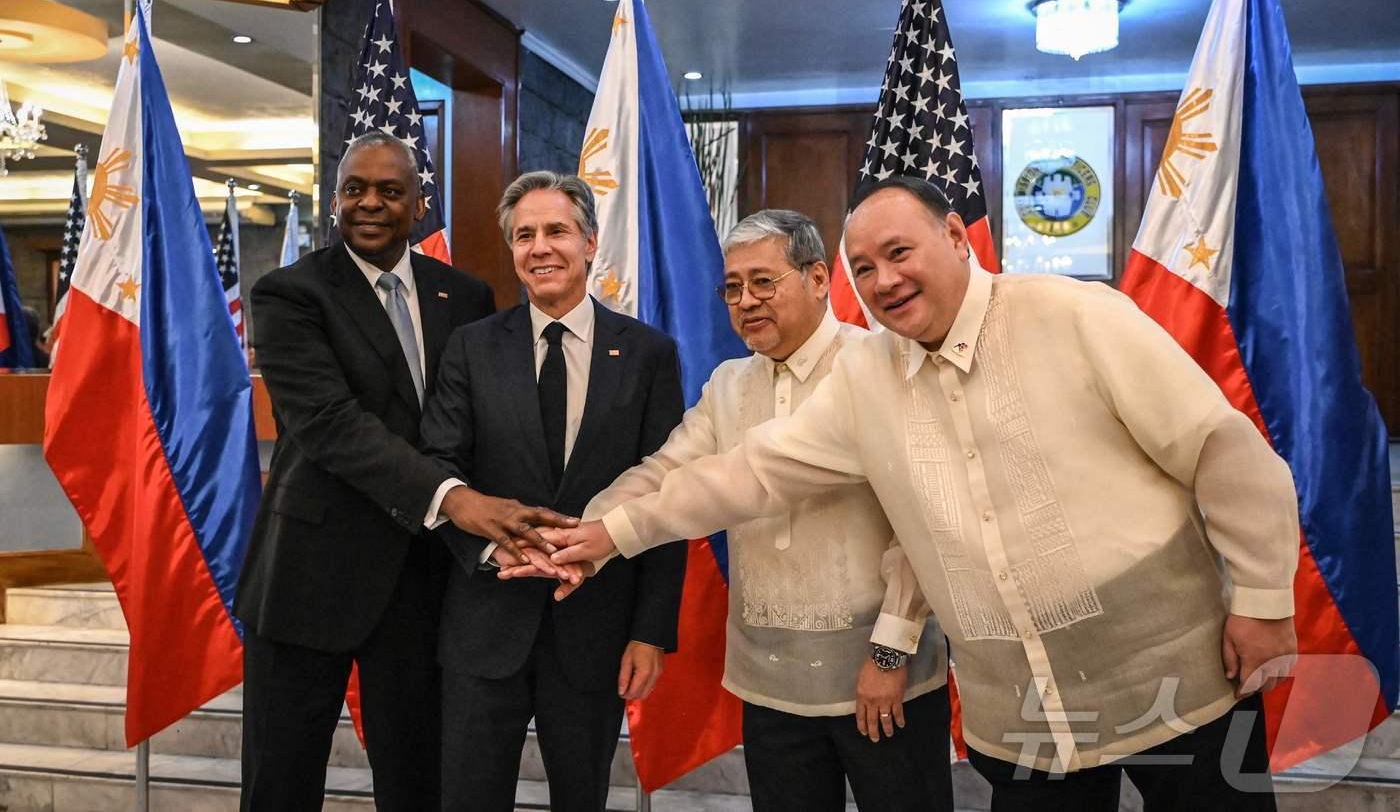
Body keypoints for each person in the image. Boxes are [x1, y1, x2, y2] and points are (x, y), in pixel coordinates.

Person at [540, 175, 1301, 810]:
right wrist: (615, 531)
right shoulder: (867, 378)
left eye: (899, 252)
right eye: (864, 269)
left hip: (1173, 671)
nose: (883, 280)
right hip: (1023, 709)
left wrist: (1264, 597)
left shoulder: (1073, 313)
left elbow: (1223, 451)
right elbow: (753, 470)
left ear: (957, 238)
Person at [506, 208, 953, 811]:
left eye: (764, 282)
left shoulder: (880, 367)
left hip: (879, 678)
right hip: (768, 683)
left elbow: (919, 524)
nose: (745, 301)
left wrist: (890, 652)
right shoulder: (729, 384)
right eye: (733, 288)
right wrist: (580, 535)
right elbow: (666, 471)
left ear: (819, 278)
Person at [236, 133, 573, 811]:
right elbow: (331, 423)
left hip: (421, 585)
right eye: (355, 188)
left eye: (390, 191)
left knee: (418, 782)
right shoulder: (289, 294)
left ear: (419, 204)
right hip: (308, 577)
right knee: (279, 783)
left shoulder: (468, 296)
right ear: (334, 202)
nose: (371, 203)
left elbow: (486, 425)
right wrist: (456, 500)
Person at [418, 171, 688, 812]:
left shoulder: (649, 353)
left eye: (556, 231)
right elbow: (439, 466)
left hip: (595, 629)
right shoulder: (471, 347)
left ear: (590, 243)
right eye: (524, 235)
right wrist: (491, 551)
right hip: (485, 624)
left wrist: (651, 631)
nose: (540, 248)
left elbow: (669, 495)